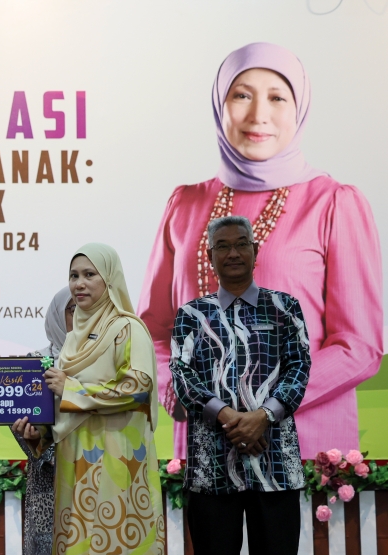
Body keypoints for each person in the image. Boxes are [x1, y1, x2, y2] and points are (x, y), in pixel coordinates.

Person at [138, 42, 382, 461]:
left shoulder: (333, 203)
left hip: (302, 438)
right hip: (206, 436)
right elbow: (154, 329)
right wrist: (175, 385)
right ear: (220, 104)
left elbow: (358, 346)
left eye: (276, 98)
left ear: (299, 107)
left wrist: (265, 404)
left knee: (296, 531)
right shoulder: (185, 204)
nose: (258, 115)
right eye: (242, 95)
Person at [171, 216, 310, 555]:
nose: (233, 253)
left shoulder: (285, 307)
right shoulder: (192, 315)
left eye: (241, 245)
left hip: (276, 471)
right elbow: (182, 376)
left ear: (255, 251)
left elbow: (299, 368)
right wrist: (230, 417)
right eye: (223, 247)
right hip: (212, 476)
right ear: (210, 257)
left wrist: (263, 416)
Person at [16, 244, 164, 555]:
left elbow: (139, 386)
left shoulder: (128, 327)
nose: (79, 284)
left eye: (89, 275)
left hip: (117, 478)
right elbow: (64, 416)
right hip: (75, 478)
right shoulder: (72, 340)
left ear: (110, 278)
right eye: (74, 275)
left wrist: (74, 388)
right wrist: (39, 435)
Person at [15, 287, 73, 555]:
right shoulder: (33, 364)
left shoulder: (109, 365)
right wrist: (37, 438)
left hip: (100, 506)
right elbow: (25, 434)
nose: (78, 315)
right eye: (70, 309)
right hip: (49, 503)